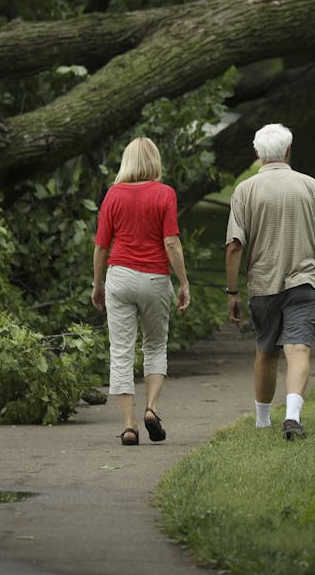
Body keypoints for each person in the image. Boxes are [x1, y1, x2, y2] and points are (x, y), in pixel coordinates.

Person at [225, 123, 315, 440]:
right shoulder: (310, 186)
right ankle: (292, 416)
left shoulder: (245, 191)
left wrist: (233, 291)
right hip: (305, 282)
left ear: (257, 154)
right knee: (298, 348)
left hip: (263, 285)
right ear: (289, 150)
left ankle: (263, 420)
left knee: (266, 350)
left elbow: (235, 246)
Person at [91, 137, 192, 446]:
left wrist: (97, 284)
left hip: (119, 277)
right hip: (154, 279)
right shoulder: (165, 194)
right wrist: (184, 282)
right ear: (154, 161)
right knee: (155, 345)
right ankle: (151, 409)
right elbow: (171, 242)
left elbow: (101, 245)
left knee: (121, 351)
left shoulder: (113, 195)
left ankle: (130, 425)